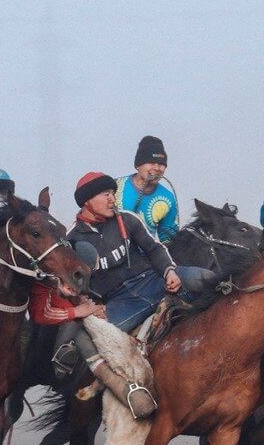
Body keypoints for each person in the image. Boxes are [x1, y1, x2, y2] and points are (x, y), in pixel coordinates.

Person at [68, 171, 217, 332]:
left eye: (113, 193)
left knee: (209, 280)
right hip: (119, 302)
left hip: (155, 282)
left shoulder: (127, 218)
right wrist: (90, 305)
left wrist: (169, 272)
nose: (112, 199)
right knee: (100, 334)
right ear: (86, 201)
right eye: (106, 194)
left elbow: (154, 248)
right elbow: (71, 283)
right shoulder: (71, 240)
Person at [116, 135, 180, 242]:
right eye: (151, 163)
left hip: (145, 255)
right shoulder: (115, 187)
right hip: (111, 253)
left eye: (161, 164)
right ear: (138, 165)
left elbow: (169, 237)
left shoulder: (167, 198)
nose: (156, 168)